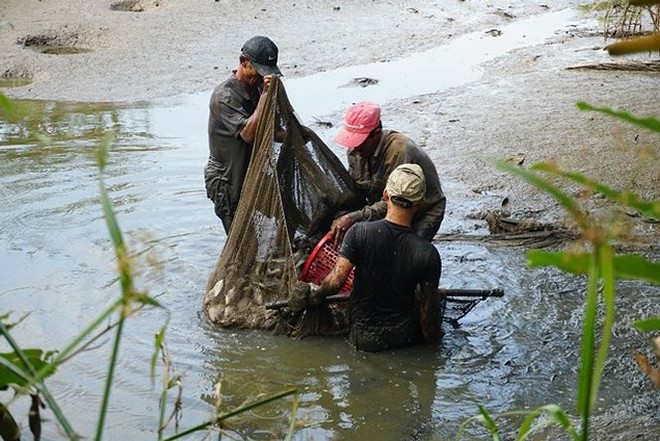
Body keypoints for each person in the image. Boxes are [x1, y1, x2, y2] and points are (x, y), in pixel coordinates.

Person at [298, 164, 443, 352]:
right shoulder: (428, 253)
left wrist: (315, 295)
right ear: (421, 202)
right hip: (403, 340)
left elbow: (335, 281)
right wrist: (434, 345)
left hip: (362, 338)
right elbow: (428, 313)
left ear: (385, 195)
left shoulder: (359, 233)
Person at [329, 101, 446, 246]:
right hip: (384, 206)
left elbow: (396, 203)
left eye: (360, 142)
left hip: (421, 211)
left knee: (406, 254)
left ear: (376, 134)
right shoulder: (355, 151)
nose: (354, 148)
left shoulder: (400, 152)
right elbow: (356, 190)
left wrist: (354, 217)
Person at [205, 35, 282, 234]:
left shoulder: (255, 87)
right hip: (227, 183)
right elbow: (248, 134)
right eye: (258, 71)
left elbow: (272, 130)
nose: (259, 78)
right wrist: (265, 95)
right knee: (239, 243)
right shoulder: (224, 97)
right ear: (243, 63)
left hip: (248, 177)